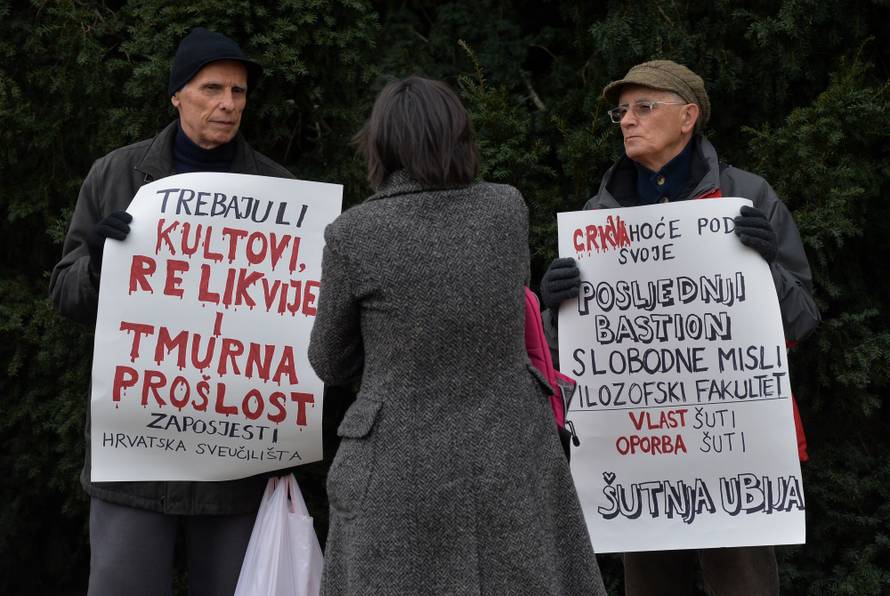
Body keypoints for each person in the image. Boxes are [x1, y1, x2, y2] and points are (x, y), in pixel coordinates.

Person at [49, 27, 341, 595]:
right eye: (212, 89)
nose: (228, 105)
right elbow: (65, 294)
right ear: (177, 95)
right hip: (135, 458)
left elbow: (310, 320)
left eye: (238, 92)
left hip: (237, 464)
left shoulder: (282, 193)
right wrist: (100, 265)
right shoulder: (116, 176)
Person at [307, 76, 607, 595]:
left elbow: (330, 363)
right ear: (459, 135)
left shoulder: (353, 234)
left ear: (381, 144)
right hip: (508, 451)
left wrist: (388, 361)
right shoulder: (506, 210)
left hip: (397, 463)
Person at [539, 60, 820, 596]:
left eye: (644, 107)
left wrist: (765, 268)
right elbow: (565, 359)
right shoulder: (599, 216)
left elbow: (801, 322)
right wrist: (556, 308)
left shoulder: (748, 197)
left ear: (688, 116)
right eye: (621, 111)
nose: (626, 121)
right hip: (636, 453)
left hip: (734, 452)